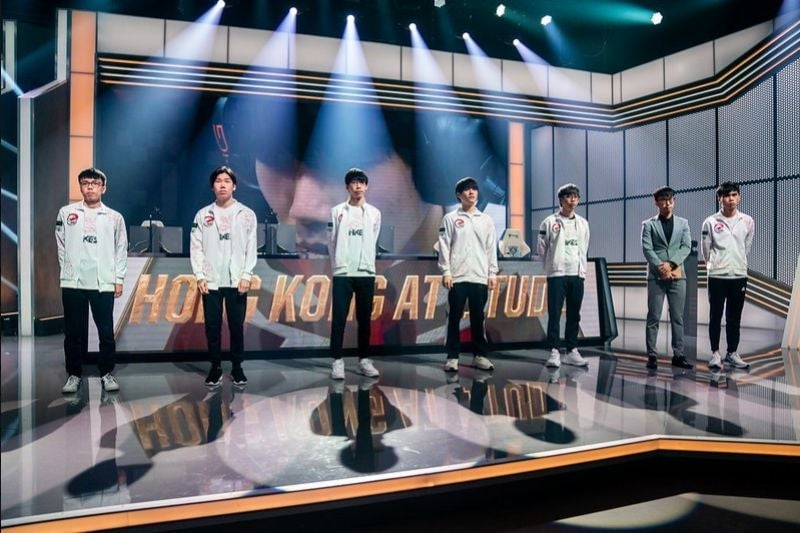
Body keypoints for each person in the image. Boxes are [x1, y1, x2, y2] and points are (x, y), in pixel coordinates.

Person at [55, 168, 127, 394]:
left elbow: (121, 249)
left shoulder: (114, 217)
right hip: (73, 282)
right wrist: (68, 270)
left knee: (105, 332)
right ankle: (74, 374)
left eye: (95, 183)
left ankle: (106, 373)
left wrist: (118, 278)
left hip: (102, 282)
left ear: (103, 188)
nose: (90, 186)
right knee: (72, 333)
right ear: (80, 187)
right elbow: (61, 245)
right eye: (85, 182)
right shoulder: (66, 213)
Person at [190, 166, 258, 388]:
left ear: (234, 186)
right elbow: (196, 247)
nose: (222, 184)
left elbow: (251, 247)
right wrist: (199, 275)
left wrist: (247, 274)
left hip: (237, 280)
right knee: (212, 327)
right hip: (211, 281)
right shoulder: (203, 215)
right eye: (218, 181)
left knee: (237, 326)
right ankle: (215, 367)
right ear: (213, 187)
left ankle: (237, 367)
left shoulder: (247, 214)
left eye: (227, 181)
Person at [438, 176, 498, 373]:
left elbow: (491, 248)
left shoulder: (486, 220)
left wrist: (492, 273)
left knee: (478, 318)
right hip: (457, 276)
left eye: (474, 188)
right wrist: (446, 271)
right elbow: (444, 247)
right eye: (467, 189)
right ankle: (452, 357)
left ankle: (480, 356)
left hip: (479, 276)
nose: (471, 192)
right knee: (454, 318)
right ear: (458, 194)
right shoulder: (450, 219)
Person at [328, 168, 382, 380]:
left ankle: (364, 360)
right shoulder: (337, 211)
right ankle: (337, 361)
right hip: (343, 273)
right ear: (347, 187)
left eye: (361, 182)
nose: (358, 186)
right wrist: (337, 265)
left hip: (365, 272)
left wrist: (368, 262)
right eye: (354, 182)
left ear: (366, 186)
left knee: (364, 319)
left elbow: (374, 238)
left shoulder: (374, 213)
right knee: (339, 319)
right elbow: (331, 241)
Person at [701, 181, 755, 370]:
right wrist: (713, 266)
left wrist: (738, 263)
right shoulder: (710, 222)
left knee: (734, 317)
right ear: (720, 198)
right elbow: (706, 249)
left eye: (734, 195)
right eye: (726, 196)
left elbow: (746, 247)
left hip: (739, 276)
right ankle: (715, 354)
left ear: (739, 197)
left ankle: (732, 353)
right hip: (717, 276)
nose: (730, 199)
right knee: (715, 315)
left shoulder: (747, 221)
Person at [536, 183, 590, 368]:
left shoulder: (583, 223)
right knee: (554, 314)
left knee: (574, 314)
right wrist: (551, 266)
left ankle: (571, 350)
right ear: (561, 200)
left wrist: (581, 268)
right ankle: (554, 351)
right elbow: (541, 249)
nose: (572, 199)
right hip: (557, 274)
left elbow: (584, 246)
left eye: (575, 196)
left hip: (576, 273)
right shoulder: (549, 222)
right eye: (568, 196)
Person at [641, 186, 693, 370]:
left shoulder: (683, 223)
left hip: (677, 274)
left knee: (678, 317)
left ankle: (679, 355)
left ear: (674, 201)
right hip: (656, 276)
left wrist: (670, 264)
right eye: (663, 200)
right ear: (656, 202)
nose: (667, 203)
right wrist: (661, 267)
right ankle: (652, 355)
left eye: (670, 200)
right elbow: (647, 249)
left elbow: (686, 247)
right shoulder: (648, 224)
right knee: (653, 316)